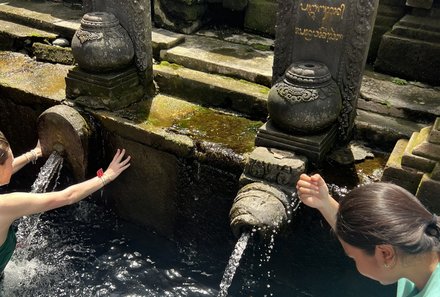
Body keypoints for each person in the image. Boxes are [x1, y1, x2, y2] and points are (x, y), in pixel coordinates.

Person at [0, 131, 130, 276]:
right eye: (10, 161)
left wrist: (34, 153)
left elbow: (5, 169)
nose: (12, 164)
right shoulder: (7, 205)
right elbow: (68, 196)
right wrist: (106, 176)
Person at [296, 173, 440, 297]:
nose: (354, 261)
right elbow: (359, 235)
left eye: (353, 257)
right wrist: (324, 202)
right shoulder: (417, 246)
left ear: (385, 254)